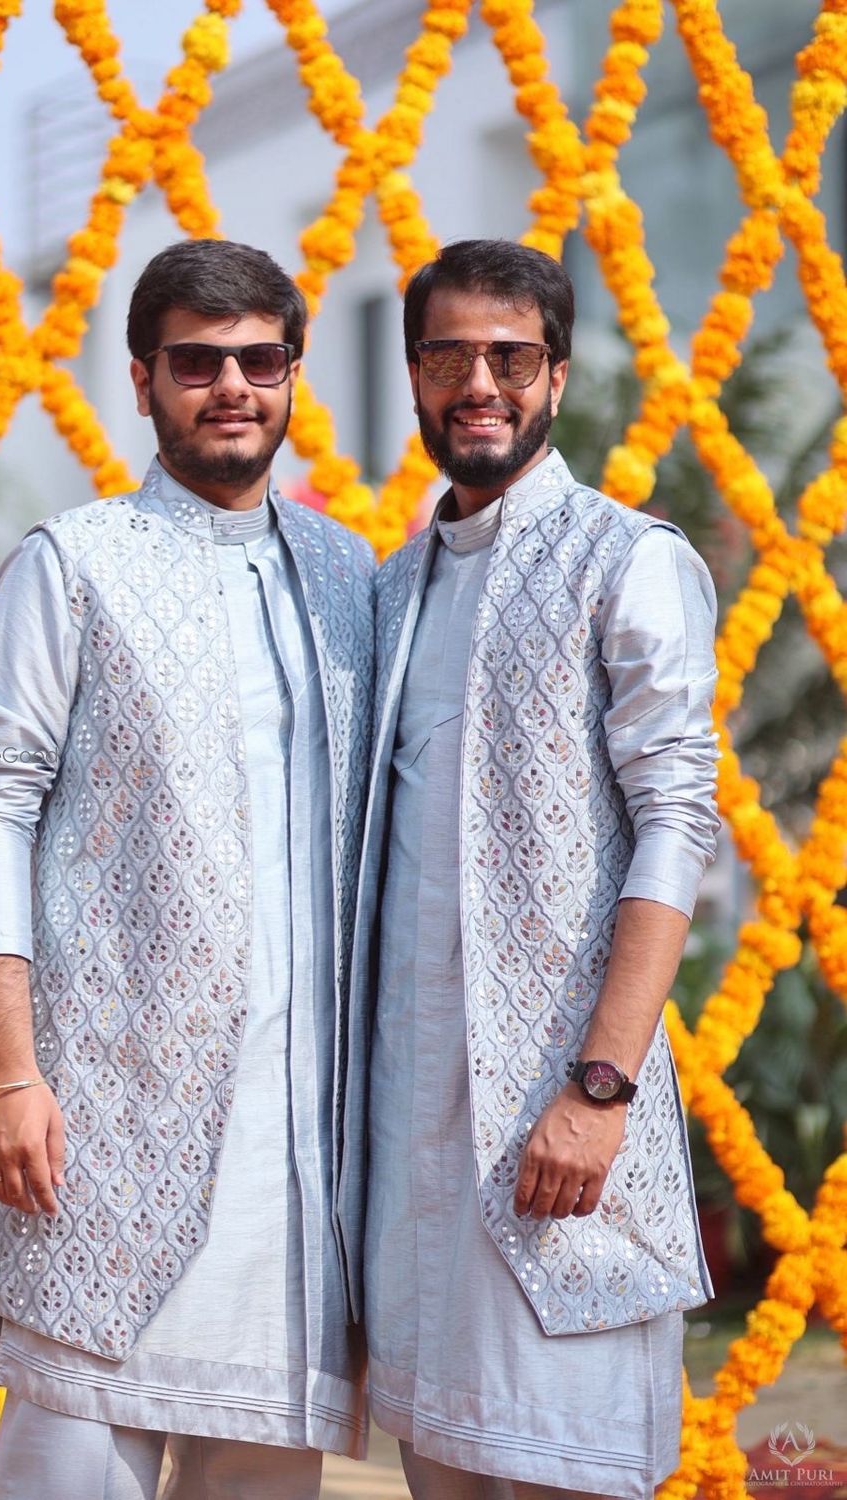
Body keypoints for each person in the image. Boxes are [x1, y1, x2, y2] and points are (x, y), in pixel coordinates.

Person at [0, 238, 375, 1500]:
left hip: (299, 1160)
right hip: (104, 1121)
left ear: (294, 376)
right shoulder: (69, 562)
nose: (231, 385)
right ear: (142, 381)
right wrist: (9, 1072)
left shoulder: (349, 572)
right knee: (69, 1468)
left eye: (260, 359)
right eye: (197, 360)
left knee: (258, 1482)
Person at [341, 239, 720, 1500]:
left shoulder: (628, 560)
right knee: (443, 1473)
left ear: (556, 375)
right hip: (412, 1146)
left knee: (569, 1471)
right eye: (450, 353)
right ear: (413, 375)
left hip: (565, 1130)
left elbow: (677, 820)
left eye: (511, 354)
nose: (479, 381)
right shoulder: (392, 593)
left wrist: (600, 1087)